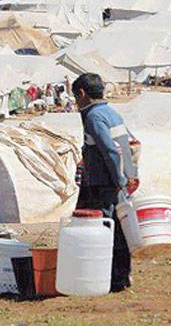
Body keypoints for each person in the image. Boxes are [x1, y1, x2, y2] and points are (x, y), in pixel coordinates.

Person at [72, 73, 138, 292]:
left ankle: (110, 277)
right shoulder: (113, 113)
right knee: (118, 228)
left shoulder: (93, 116)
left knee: (104, 229)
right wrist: (129, 175)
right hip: (116, 180)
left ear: (82, 94)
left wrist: (118, 179)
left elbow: (110, 150)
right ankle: (122, 275)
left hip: (103, 183)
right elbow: (131, 145)